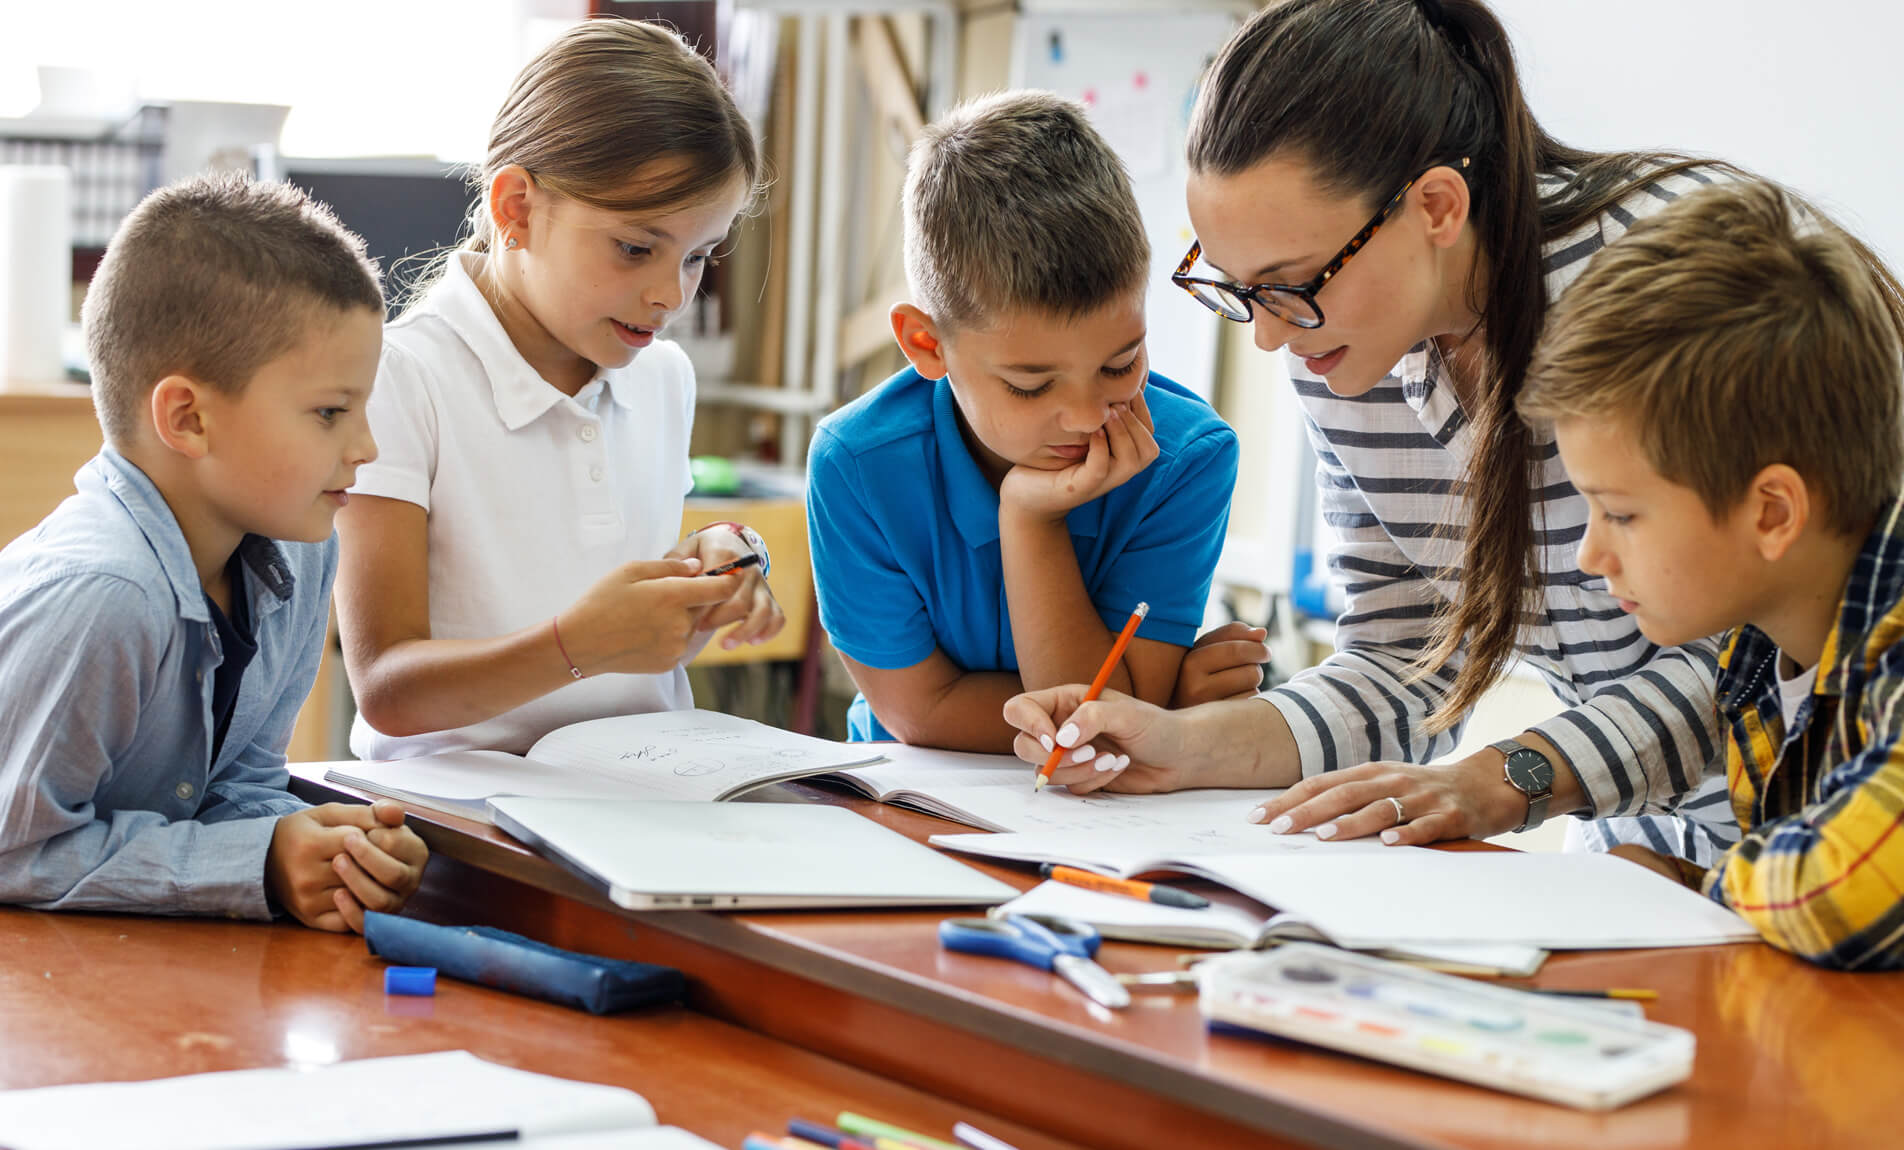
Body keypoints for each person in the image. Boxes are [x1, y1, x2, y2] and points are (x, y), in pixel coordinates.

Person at [1008, 0, 1739, 861]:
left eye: (1288, 284)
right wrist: (1183, 745)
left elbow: (1763, 656)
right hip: (1649, 845)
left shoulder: (1659, 281)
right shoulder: (1345, 346)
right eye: (1238, 290)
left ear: (1435, 206)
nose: (1270, 335)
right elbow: (1402, 663)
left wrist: (1508, 778)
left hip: (1839, 826)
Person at [0, 174, 427, 932]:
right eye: (329, 413)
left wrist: (321, 851)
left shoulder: (301, 553)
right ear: (188, 418)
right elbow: (6, 849)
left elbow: (238, 783)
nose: (366, 448)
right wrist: (250, 862)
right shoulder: (104, 594)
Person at [335, 18, 783, 759]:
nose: (671, 296)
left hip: (643, 788)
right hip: (464, 818)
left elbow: (612, 600)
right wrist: (576, 644)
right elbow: (387, 688)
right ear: (517, 208)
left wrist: (708, 566)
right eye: (636, 248)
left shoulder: (663, 376)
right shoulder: (402, 376)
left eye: (699, 256)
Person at [1518, 179, 1904, 971]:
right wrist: (1676, 883)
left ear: (1771, 513)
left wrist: (1698, 891)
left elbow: (1851, 888)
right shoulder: (1759, 657)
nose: (1591, 556)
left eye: (1619, 513)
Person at [806, 90, 1250, 752]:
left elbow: (1104, 726)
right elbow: (920, 714)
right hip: (904, 804)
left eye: (1120, 364)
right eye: (1030, 385)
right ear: (928, 346)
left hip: (1102, 823)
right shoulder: (858, 466)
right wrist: (1159, 706)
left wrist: (1030, 520)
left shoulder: (1186, 459)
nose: (1086, 415)